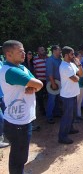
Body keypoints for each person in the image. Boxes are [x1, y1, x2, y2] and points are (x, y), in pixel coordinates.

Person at [0, 40, 43, 173]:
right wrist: (35, 86)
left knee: (21, 155)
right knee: (18, 158)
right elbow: (39, 84)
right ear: (9, 54)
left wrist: (34, 87)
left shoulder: (22, 67)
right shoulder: (10, 71)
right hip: (17, 122)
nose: (24, 53)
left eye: (24, 50)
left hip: (23, 119)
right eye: (20, 51)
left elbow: (35, 85)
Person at [58, 46, 83, 144]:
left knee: (72, 115)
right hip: (67, 95)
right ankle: (62, 137)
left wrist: (79, 65)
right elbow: (75, 79)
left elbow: (80, 75)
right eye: (72, 54)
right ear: (66, 55)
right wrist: (77, 76)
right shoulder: (64, 66)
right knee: (66, 116)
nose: (73, 56)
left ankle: (70, 128)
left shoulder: (72, 64)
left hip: (73, 93)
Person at [46, 45, 62, 124]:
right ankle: (49, 116)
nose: (60, 51)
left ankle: (56, 113)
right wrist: (53, 83)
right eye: (59, 50)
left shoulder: (59, 59)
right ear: (54, 51)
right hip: (51, 82)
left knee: (57, 99)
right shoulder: (50, 60)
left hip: (58, 82)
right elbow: (50, 73)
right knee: (51, 99)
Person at [33, 46, 47, 115]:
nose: (43, 51)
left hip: (48, 80)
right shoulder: (35, 59)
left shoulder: (47, 58)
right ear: (38, 52)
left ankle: (49, 109)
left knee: (49, 95)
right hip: (40, 81)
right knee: (40, 96)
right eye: (41, 50)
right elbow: (34, 70)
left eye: (43, 50)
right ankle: (42, 110)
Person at [74, 52, 83, 122]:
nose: (81, 57)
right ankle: (75, 117)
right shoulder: (73, 65)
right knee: (75, 102)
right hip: (77, 86)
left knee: (79, 102)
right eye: (79, 56)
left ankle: (79, 115)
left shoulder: (80, 65)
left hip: (82, 85)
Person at [0, 60, 9, 148]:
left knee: (6, 115)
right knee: (1, 118)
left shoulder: (1, 63)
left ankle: (6, 134)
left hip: (3, 94)